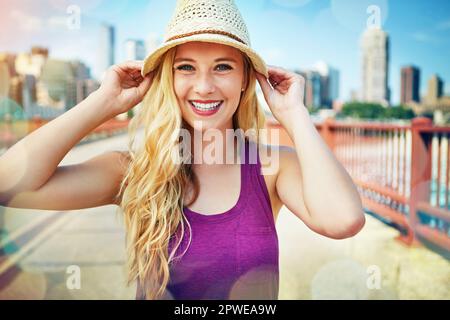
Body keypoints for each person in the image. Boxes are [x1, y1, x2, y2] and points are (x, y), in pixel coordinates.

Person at [0, 0, 365, 300]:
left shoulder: (271, 167)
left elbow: (344, 220)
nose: (203, 86)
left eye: (222, 67)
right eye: (186, 67)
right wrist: (102, 102)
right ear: (168, 79)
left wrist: (294, 115)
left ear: (245, 81)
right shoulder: (132, 171)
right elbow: (8, 185)